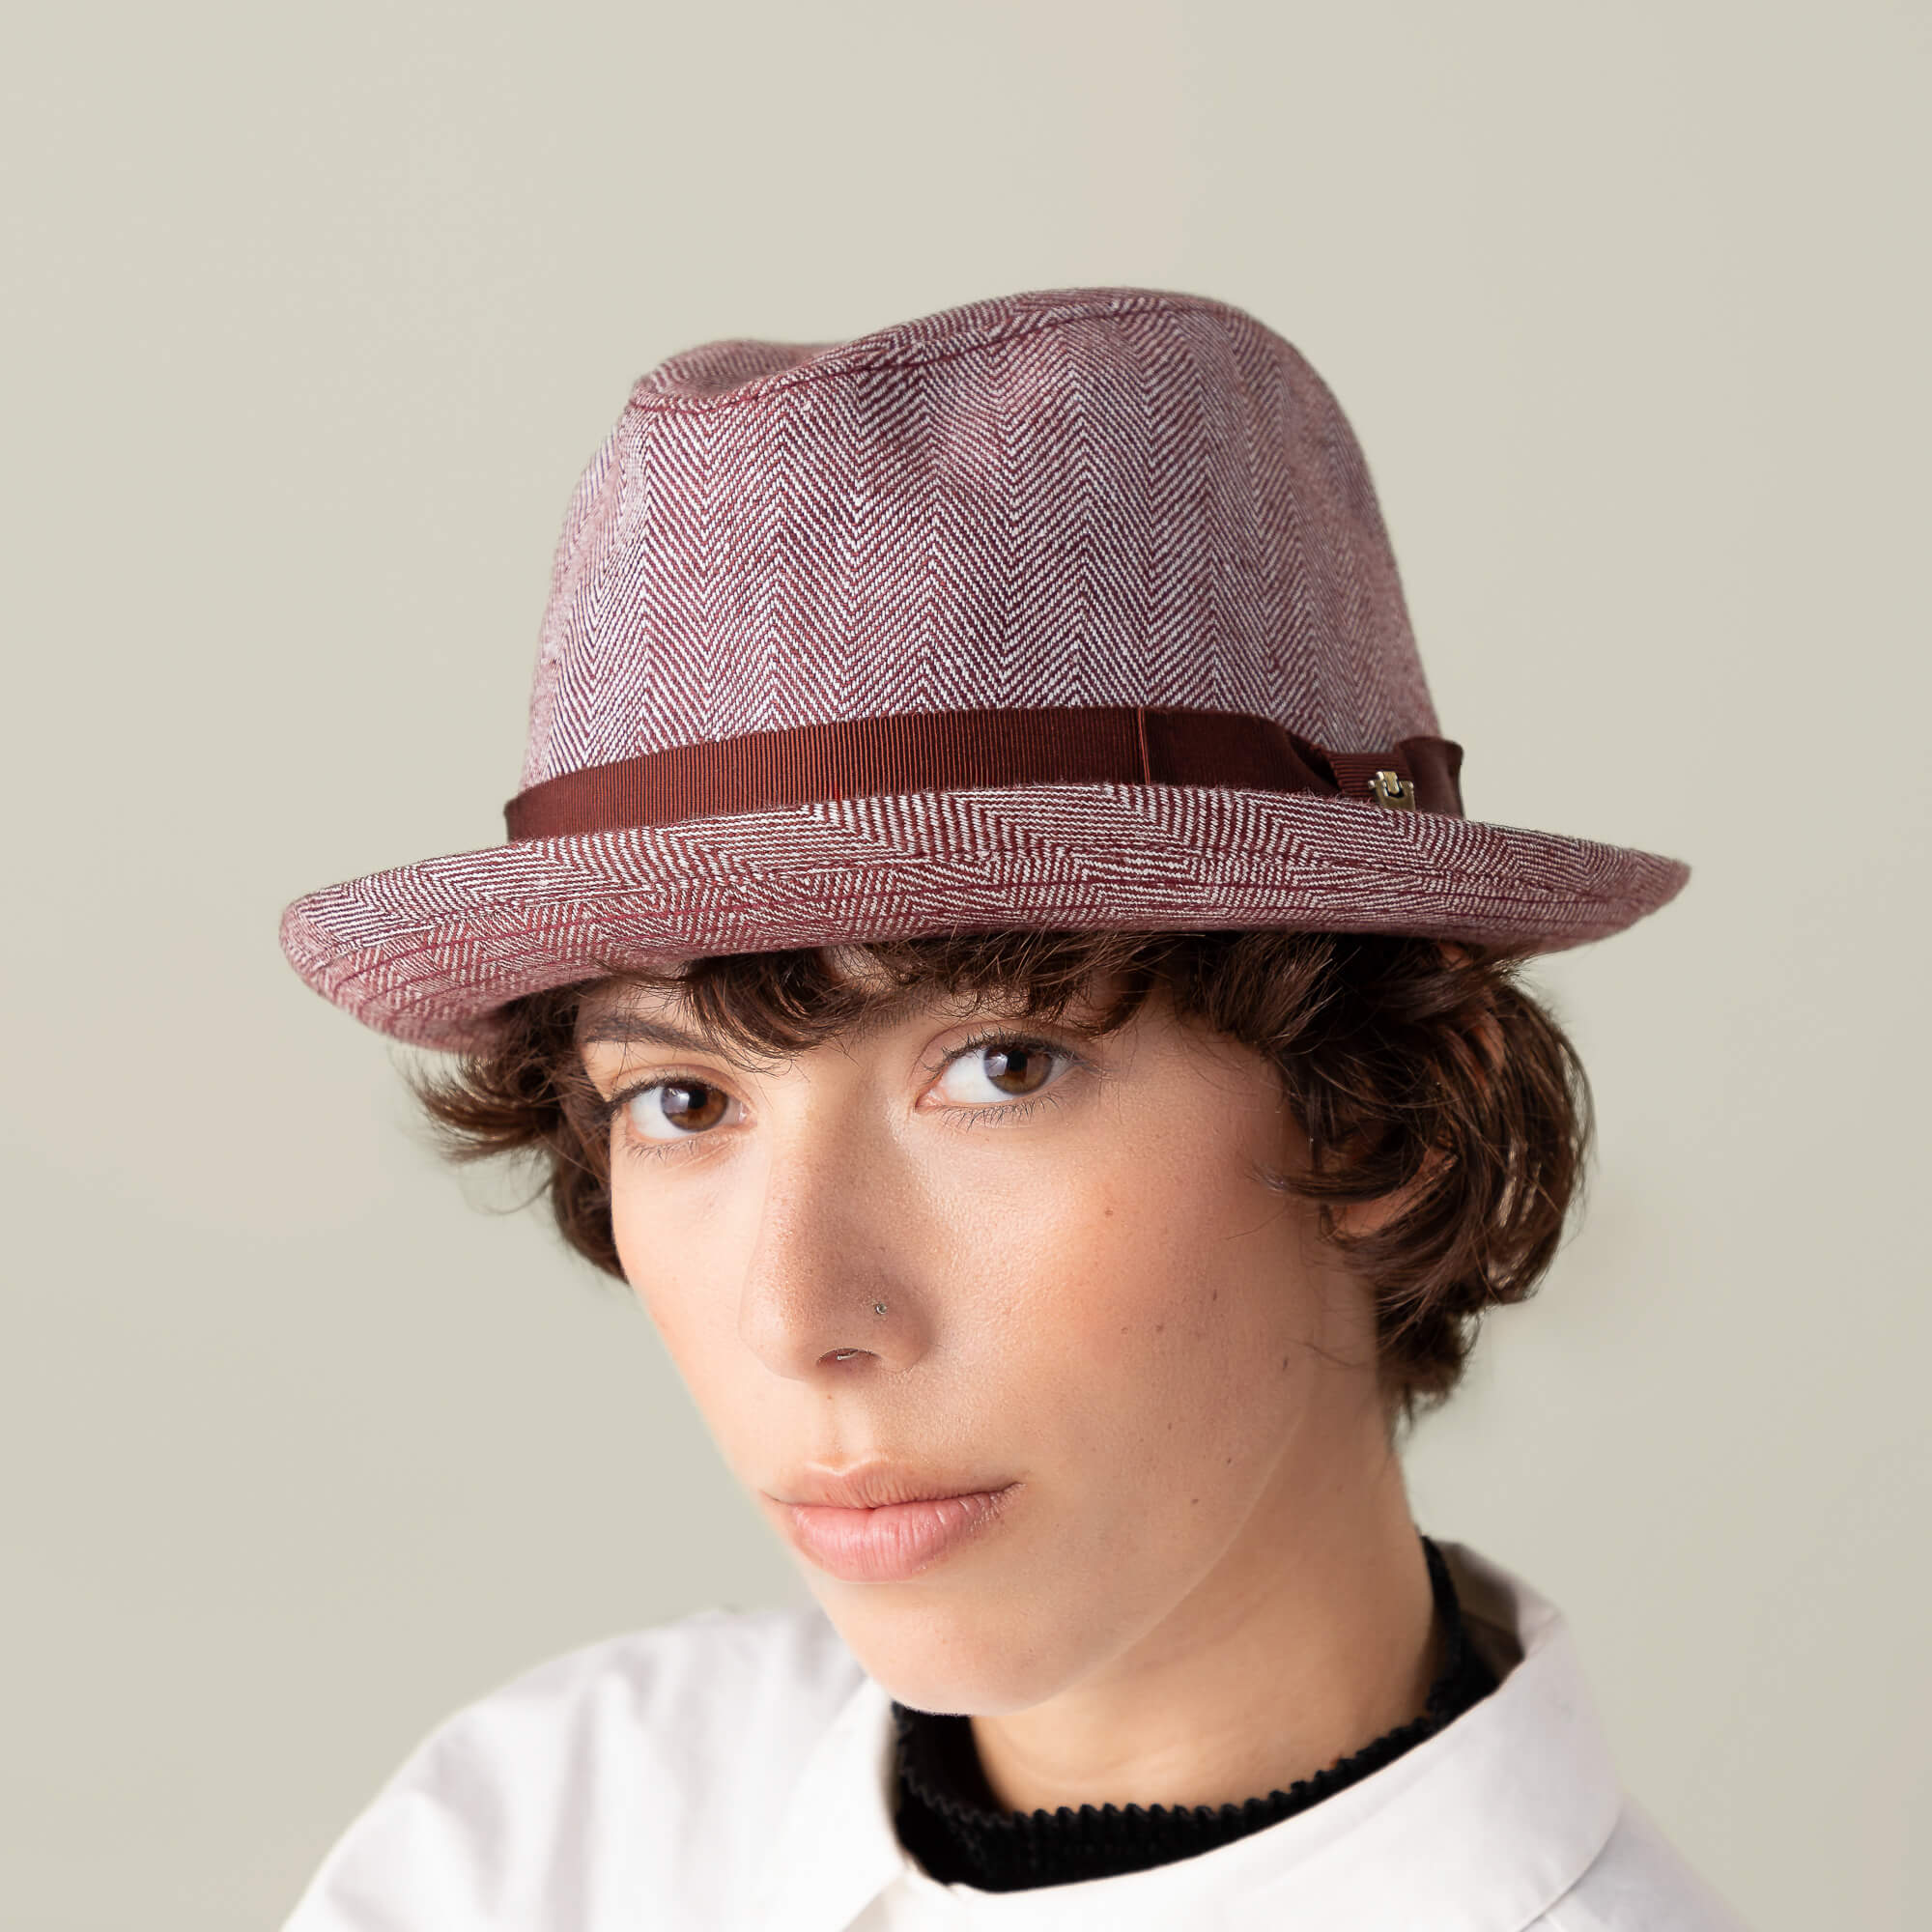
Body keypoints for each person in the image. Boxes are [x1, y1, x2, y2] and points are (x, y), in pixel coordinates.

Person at [277, 287, 1747, 1928]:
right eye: (683, 1099)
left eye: (1003, 1067)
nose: (799, 1314)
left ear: (1391, 1114)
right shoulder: (543, 1839)